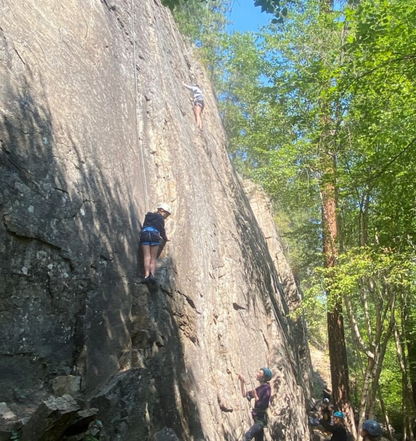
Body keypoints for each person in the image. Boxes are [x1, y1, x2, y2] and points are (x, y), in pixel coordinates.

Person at [237, 368, 272, 441]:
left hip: (261, 420)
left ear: (264, 377)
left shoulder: (267, 388)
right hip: (257, 419)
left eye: (260, 373)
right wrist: (242, 382)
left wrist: (255, 396)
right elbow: (244, 394)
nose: (257, 374)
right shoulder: (259, 388)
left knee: (247, 436)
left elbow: (263, 405)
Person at [139, 203, 171, 283]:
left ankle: (146, 275)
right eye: (166, 214)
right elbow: (162, 230)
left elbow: (144, 225)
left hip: (145, 234)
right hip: (154, 235)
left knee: (146, 256)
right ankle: (152, 276)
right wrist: (165, 238)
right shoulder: (160, 218)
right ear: (162, 210)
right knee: (153, 258)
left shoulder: (148, 215)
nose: (166, 216)